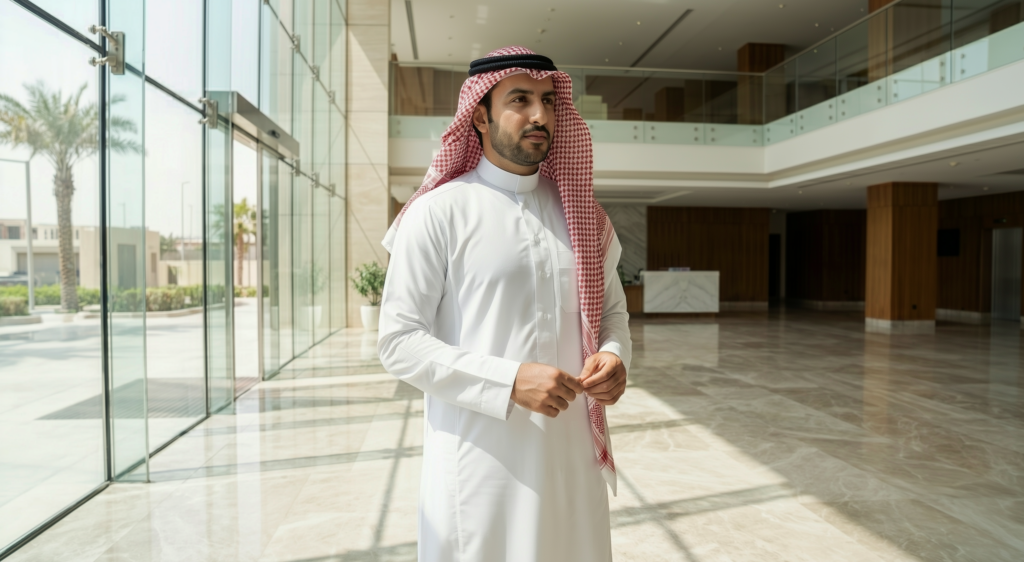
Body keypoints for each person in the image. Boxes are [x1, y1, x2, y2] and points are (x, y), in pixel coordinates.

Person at [378, 46, 632, 562]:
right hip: (481, 469)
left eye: (548, 100)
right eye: (520, 100)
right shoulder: (438, 213)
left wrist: (614, 354)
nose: (540, 115)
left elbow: (611, 315)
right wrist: (510, 381)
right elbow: (399, 343)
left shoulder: (585, 218)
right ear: (479, 115)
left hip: (572, 468)